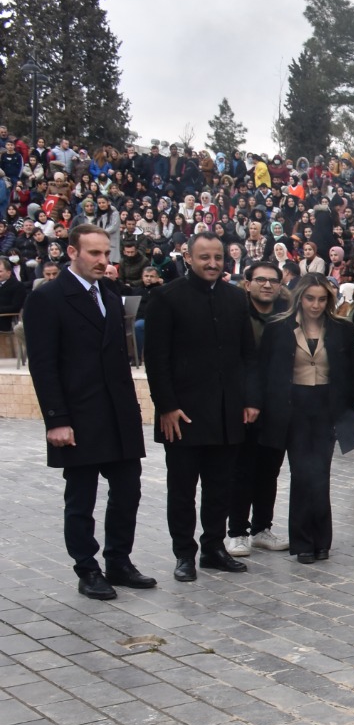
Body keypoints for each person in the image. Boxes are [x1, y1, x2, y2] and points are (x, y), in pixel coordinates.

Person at [25, 224, 155, 600]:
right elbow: (43, 365)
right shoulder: (48, 298)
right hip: (78, 416)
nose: (103, 261)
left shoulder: (110, 295)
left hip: (118, 413)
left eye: (106, 254)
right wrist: (57, 420)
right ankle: (87, 568)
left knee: (128, 489)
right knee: (81, 497)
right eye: (94, 254)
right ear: (72, 253)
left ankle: (119, 560)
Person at [142, 232, 258, 582]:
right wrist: (166, 406)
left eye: (218, 257)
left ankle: (213, 548)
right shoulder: (166, 297)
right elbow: (156, 359)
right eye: (204, 257)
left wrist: (251, 399)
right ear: (188, 258)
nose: (212, 263)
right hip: (182, 413)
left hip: (226, 411)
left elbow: (247, 355)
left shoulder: (237, 298)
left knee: (220, 487)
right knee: (182, 489)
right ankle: (184, 554)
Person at [255, 274, 354, 563]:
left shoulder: (341, 329)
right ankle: (302, 541)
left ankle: (322, 540)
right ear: (300, 297)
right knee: (301, 473)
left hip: (326, 406)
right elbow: (264, 370)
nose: (315, 304)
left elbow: (352, 371)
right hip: (293, 406)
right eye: (310, 298)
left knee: (321, 473)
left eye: (322, 299)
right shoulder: (279, 328)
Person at [225, 261, 289, 557]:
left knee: (270, 469)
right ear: (247, 283)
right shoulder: (236, 314)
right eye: (260, 280)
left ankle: (262, 527)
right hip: (244, 405)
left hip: (277, 404)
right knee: (242, 470)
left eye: (273, 280)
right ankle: (236, 531)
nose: (267, 285)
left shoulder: (288, 315)